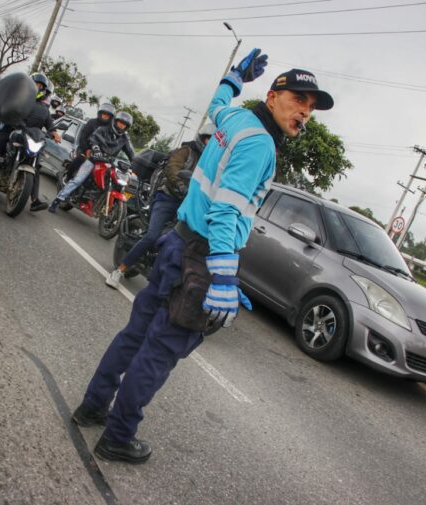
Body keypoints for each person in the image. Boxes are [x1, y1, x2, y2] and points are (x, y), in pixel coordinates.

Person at [70, 49, 334, 464]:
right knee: (159, 351)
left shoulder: (235, 121)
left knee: (135, 335)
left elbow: (216, 105)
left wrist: (234, 77)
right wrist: (225, 275)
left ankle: (92, 407)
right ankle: (117, 436)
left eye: (312, 106)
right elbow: (227, 210)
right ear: (272, 96)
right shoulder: (261, 144)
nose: (305, 112)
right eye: (298, 100)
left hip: (177, 240)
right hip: (202, 256)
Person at [105, 123, 215, 288]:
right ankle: (119, 270)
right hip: (168, 198)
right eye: (208, 140)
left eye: (213, 142)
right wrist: (180, 185)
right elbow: (172, 168)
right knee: (152, 236)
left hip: (187, 205)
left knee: (186, 242)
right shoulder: (186, 151)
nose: (209, 144)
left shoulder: (210, 163)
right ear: (202, 138)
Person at [0, 72, 61, 211]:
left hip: (31, 138)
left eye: (40, 86)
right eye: (35, 84)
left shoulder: (44, 109)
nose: (37, 88)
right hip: (12, 131)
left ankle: (34, 200)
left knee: (36, 165)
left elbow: (50, 124)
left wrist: (55, 133)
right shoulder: (19, 99)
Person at [48, 110, 135, 213]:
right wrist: (96, 150)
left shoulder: (124, 138)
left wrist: (134, 164)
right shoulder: (103, 129)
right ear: (115, 121)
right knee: (78, 180)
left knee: (113, 182)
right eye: (120, 122)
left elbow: (130, 152)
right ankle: (57, 201)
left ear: (126, 127)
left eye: (124, 124)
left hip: (108, 163)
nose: (121, 125)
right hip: (94, 160)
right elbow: (93, 139)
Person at [64, 103, 115, 181]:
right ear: (100, 113)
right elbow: (83, 137)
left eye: (108, 115)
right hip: (85, 148)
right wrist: (86, 149)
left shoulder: (111, 129)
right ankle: (68, 177)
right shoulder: (92, 122)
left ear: (111, 117)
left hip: (100, 153)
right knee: (80, 158)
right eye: (104, 114)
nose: (105, 116)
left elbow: (111, 144)